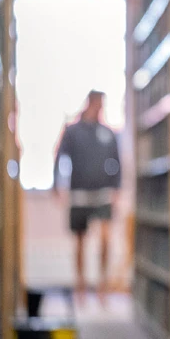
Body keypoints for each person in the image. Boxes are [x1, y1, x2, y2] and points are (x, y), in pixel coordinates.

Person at [53, 90, 121, 301]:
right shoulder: (73, 132)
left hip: (102, 194)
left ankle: (103, 285)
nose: (101, 108)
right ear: (90, 103)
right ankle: (80, 285)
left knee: (105, 238)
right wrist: (57, 185)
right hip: (79, 193)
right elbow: (59, 158)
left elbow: (117, 163)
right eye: (99, 104)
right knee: (80, 241)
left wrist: (116, 188)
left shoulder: (108, 133)